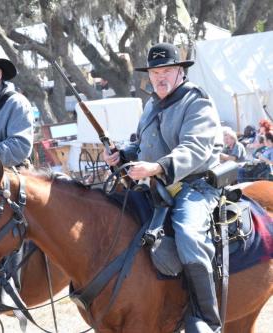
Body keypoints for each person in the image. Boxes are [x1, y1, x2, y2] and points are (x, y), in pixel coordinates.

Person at [103, 43, 223, 332]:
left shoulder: (197, 102)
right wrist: (124, 155)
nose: (160, 77)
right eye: (155, 72)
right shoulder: (151, 105)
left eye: (167, 70)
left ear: (180, 71)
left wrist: (157, 167)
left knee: (188, 235)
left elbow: (195, 148)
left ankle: (206, 318)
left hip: (195, 185)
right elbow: (144, 145)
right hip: (159, 189)